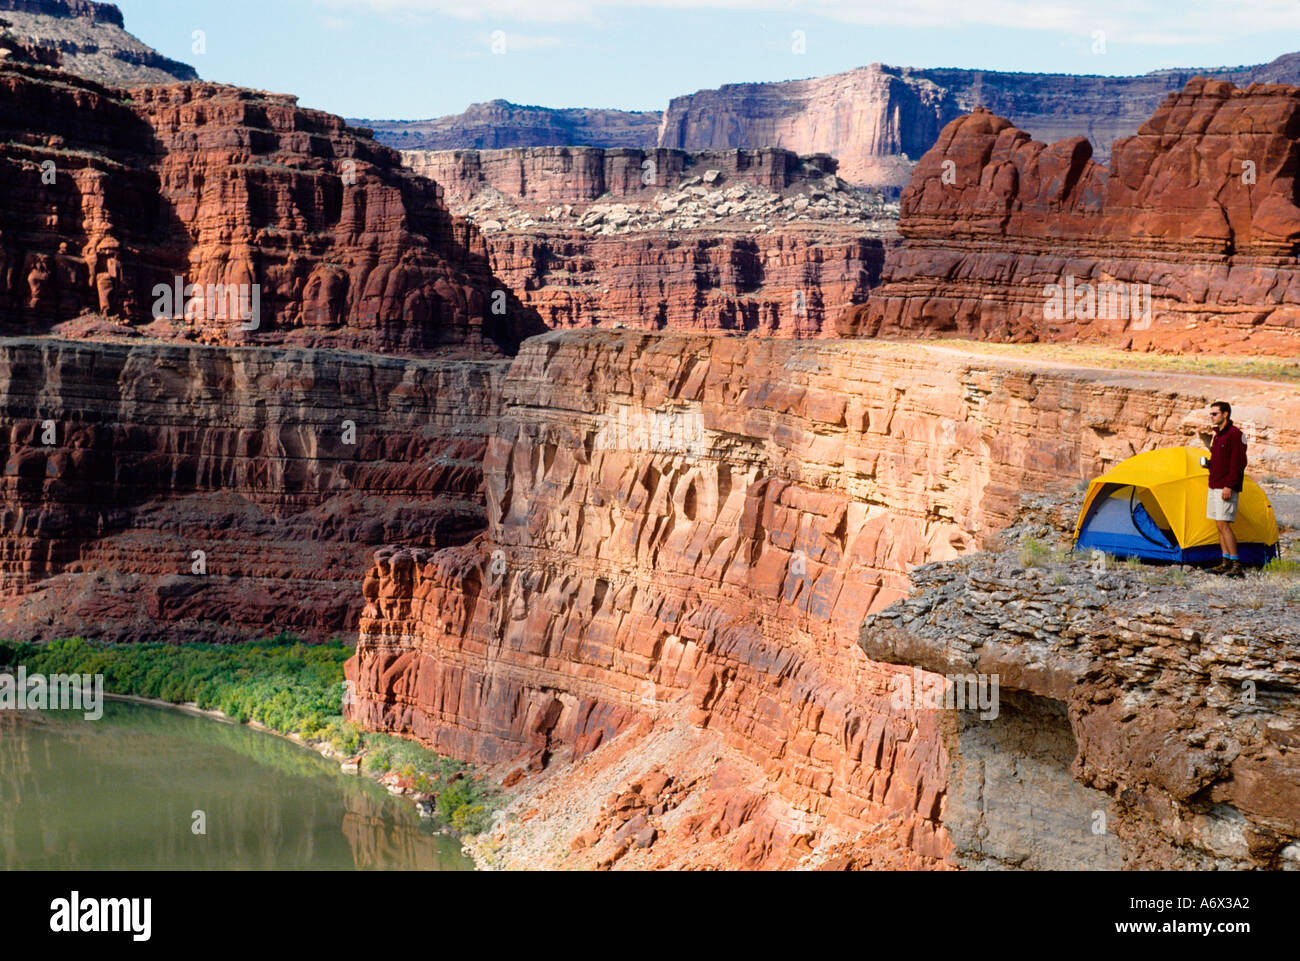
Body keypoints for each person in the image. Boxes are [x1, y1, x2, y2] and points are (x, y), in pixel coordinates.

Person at [1206, 401, 1248, 577]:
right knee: (1218, 524)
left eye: (1215, 414)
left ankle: (1236, 565)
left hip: (1225, 487)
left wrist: (1229, 485)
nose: (1212, 416)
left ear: (1225, 414)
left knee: (1224, 525)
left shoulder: (1235, 434)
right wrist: (1208, 465)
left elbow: (1238, 463)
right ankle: (1225, 562)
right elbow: (1220, 461)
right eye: (1211, 414)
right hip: (1214, 485)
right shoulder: (1218, 436)